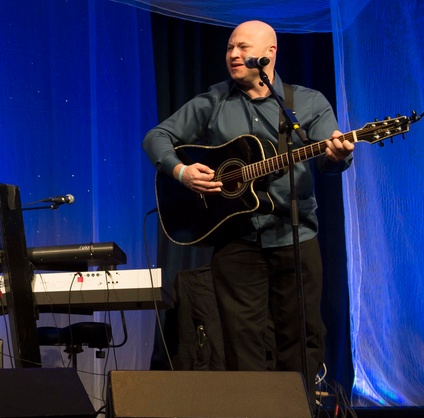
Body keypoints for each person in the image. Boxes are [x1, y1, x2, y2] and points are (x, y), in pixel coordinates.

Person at [142, 20, 353, 380]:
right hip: (234, 239)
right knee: (242, 341)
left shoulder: (306, 102)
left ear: (269, 53)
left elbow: (330, 158)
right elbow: (157, 137)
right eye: (229, 48)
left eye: (242, 47)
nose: (233, 55)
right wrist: (181, 172)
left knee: (302, 337)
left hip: (295, 235)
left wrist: (337, 155)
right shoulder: (213, 102)